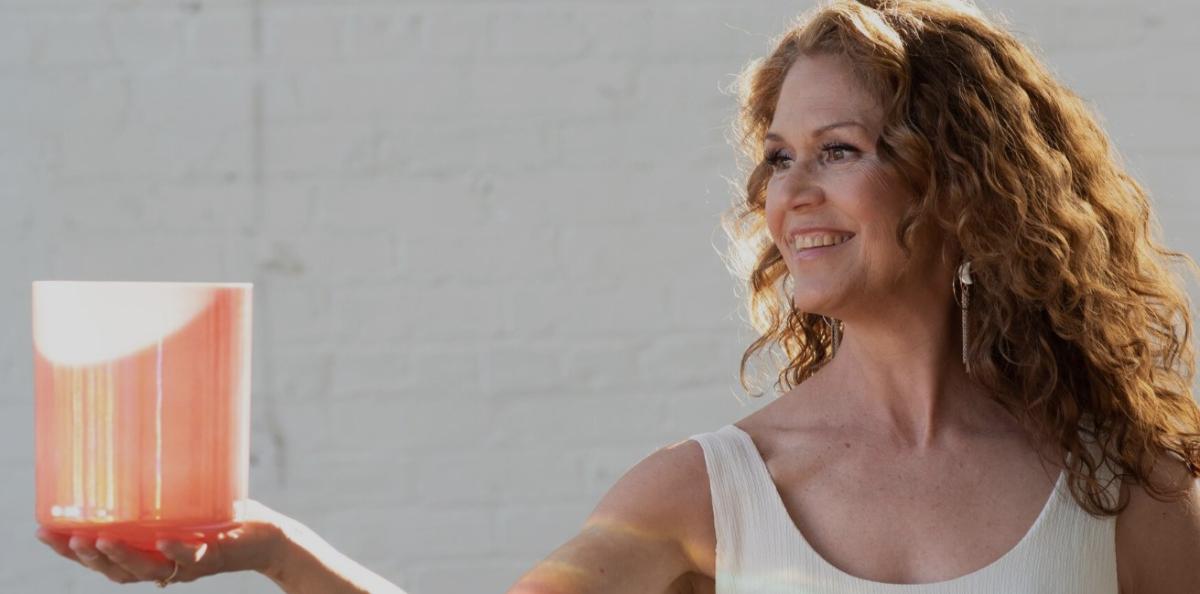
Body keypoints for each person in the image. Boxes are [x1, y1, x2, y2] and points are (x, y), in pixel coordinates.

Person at [36, 0, 1200, 592]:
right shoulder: (714, 489)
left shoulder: (1116, 482)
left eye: (838, 147)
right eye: (778, 156)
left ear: (961, 184)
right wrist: (280, 553)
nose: (790, 191)